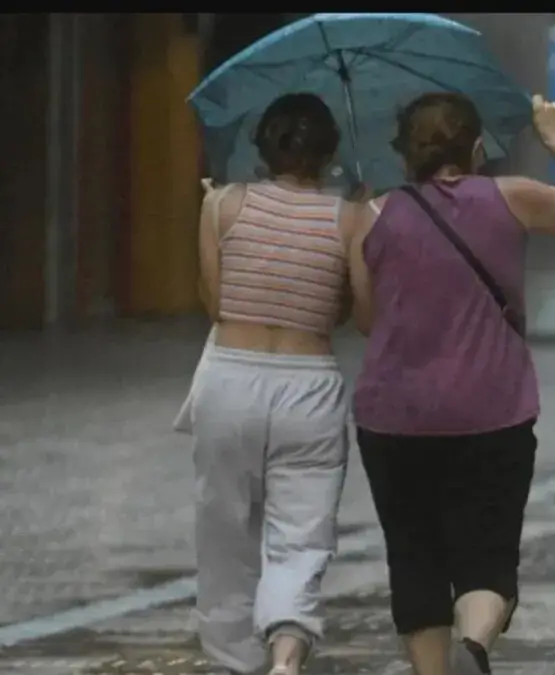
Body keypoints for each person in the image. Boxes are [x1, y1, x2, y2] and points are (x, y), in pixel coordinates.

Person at [346, 92, 555, 675]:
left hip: (394, 417)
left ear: (404, 156)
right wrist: (554, 137)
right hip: (492, 412)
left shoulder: (370, 216)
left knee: (414, 557)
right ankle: (475, 647)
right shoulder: (511, 197)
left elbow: (367, 320)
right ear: (475, 148)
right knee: (487, 558)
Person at [192, 92, 358, 675]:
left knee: (224, 529)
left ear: (262, 145)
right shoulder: (349, 216)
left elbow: (216, 305)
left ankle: (234, 663)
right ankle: (286, 658)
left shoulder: (222, 206)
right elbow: (357, 314)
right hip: (309, 387)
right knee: (302, 535)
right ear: (330, 152)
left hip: (231, 379)